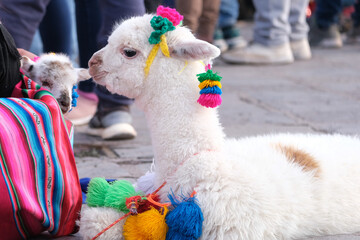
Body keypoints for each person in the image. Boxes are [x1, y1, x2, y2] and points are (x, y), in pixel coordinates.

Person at [222, 0, 312, 64]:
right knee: (294, 33)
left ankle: (271, 39)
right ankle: (295, 39)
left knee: (274, 34)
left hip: (273, 37)